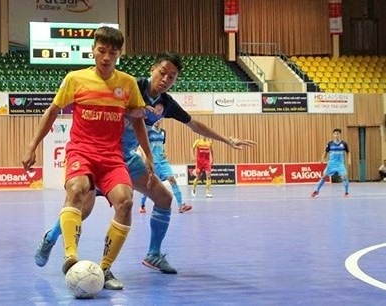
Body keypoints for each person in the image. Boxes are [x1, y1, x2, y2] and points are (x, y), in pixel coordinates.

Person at [34, 52, 256, 276]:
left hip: (127, 159)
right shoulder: (130, 86)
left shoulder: (165, 104)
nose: (165, 80)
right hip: (99, 155)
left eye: (172, 77)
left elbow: (194, 124)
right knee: (83, 210)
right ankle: (50, 238)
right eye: (162, 73)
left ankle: (152, 255)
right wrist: (133, 111)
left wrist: (227, 139)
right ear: (152, 69)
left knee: (164, 198)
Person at [23, 26, 153, 290]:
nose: (106, 57)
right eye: (102, 50)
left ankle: (104, 270)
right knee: (77, 190)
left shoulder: (127, 84)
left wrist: (148, 154)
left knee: (126, 202)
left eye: (113, 52)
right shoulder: (75, 79)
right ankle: (70, 257)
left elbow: (138, 120)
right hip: (81, 151)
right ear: (93, 49)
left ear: (119, 54)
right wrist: (32, 145)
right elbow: (52, 111)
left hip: (111, 157)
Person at [138, 119, 192, 213]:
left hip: (163, 162)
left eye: (159, 119)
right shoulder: (148, 131)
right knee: (149, 185)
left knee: (172, 180)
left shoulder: (163, 132)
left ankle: (180, 205)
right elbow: (140, 145)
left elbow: (161, 145)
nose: (157, 121)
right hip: (152, 163)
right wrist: (146, 157)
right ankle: (142, 205)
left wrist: (163, 152)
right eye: (156, 119)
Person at [311, 128, 351, 197]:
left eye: (338, 134)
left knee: (344, 177)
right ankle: (317, 191)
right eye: (335, 134)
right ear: (333, 135)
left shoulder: (344, 144)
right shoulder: (330, 143)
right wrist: (322, 159)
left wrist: (349, 160)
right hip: (331, 164)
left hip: (340, 164)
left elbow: (348, 152)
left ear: (340, 135)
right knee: (324, 177)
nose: (336, 135)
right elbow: (325, 152)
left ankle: (346, 192)